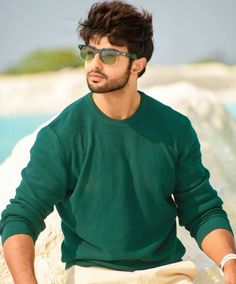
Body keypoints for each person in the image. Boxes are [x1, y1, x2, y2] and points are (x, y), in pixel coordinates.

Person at [0, 1, 236, 283]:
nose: (95, 64)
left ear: (137, 64)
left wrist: (230, 263)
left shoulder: (174, 129)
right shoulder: (61, 136)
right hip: (94, 276)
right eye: (89, 53)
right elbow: (20, 217)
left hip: (167, 275)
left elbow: (201, 209)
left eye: (109, 56)